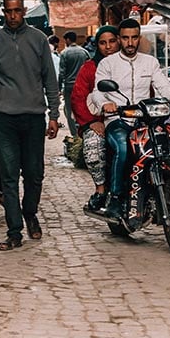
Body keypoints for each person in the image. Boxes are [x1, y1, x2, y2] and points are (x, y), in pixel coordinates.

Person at [88, 19, 170, 221]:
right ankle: (115, 197)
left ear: (139, 38)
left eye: (134, 37)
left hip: (147, 120)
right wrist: (106, 104)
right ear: (120, 39)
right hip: (119, 120)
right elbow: (98, 91)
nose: (130, 42)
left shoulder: (150, 62)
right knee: (123, 147)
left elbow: (163, 86)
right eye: (125, 38)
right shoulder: (108, 64)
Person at [0, 0, 60, 251]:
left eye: (17, 11)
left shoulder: (38, 40)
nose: (13, 16)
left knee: (35, 174)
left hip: (34, 118)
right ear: (4, 12)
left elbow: (50, 80)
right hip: (4, 120)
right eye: (8, 11)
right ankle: (14, 231)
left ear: (24, 11)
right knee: (9, 177)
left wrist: (54, 115)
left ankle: (30, 212)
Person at [70, 25, 120, 211]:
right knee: (93, 146)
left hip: (129, 119)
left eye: (112, 41)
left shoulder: (129, 65)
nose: (108, 47)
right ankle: (100, 190)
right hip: (98, 121)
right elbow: (78, 97)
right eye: (103, 43)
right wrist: (91, 122)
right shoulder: (90, 68)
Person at [59, 31, 91, 136]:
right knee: (82, 108)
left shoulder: (64, 53)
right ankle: (83, 132)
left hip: (69, 86)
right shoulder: (84, 52)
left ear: (68, 40)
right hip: (83, 85)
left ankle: (75, 134)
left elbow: (62, 73)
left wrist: (59, 88)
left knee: (69, 111)